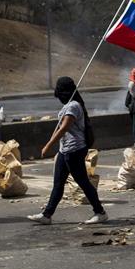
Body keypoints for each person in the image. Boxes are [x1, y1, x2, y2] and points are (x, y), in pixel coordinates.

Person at [28, 77, 107, 225]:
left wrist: (48, 145)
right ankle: (47, 215)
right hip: (65, 150)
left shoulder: (73, 106)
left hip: (75, 149)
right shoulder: (69, 105)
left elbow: (64, 127)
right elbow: (58, 127)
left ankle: (100, 212)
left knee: (83, 182)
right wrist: (52, 145)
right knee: (58, 183)